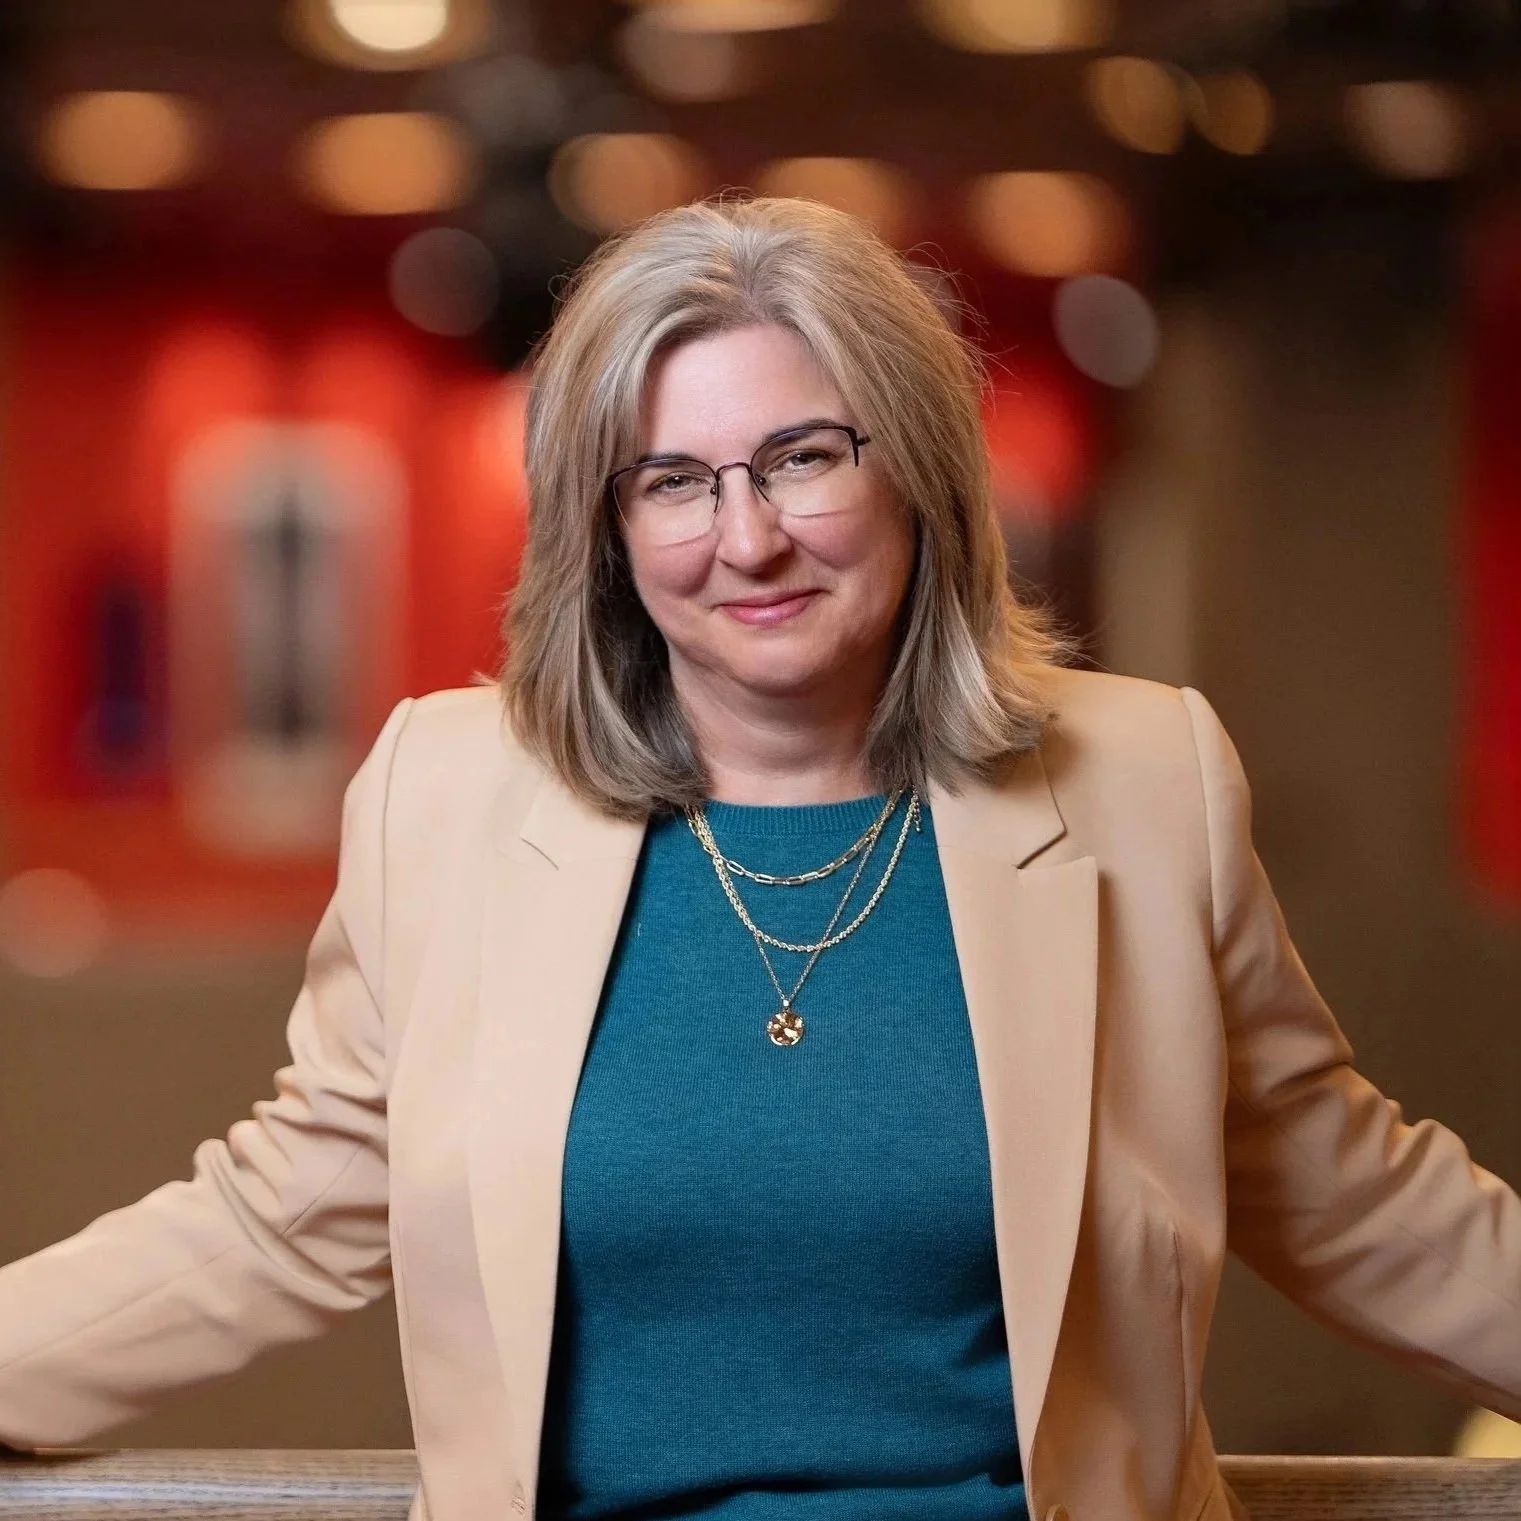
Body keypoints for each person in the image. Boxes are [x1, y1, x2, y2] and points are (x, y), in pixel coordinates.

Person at [0, 196, 1518, 1521]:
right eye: (673, 480)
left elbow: (1345, 1192)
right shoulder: (445, 795)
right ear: (606, 526)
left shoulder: (1140, 783)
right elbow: (284, 1208)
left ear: (918, 472)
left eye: (802, 457)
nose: (746, 538)